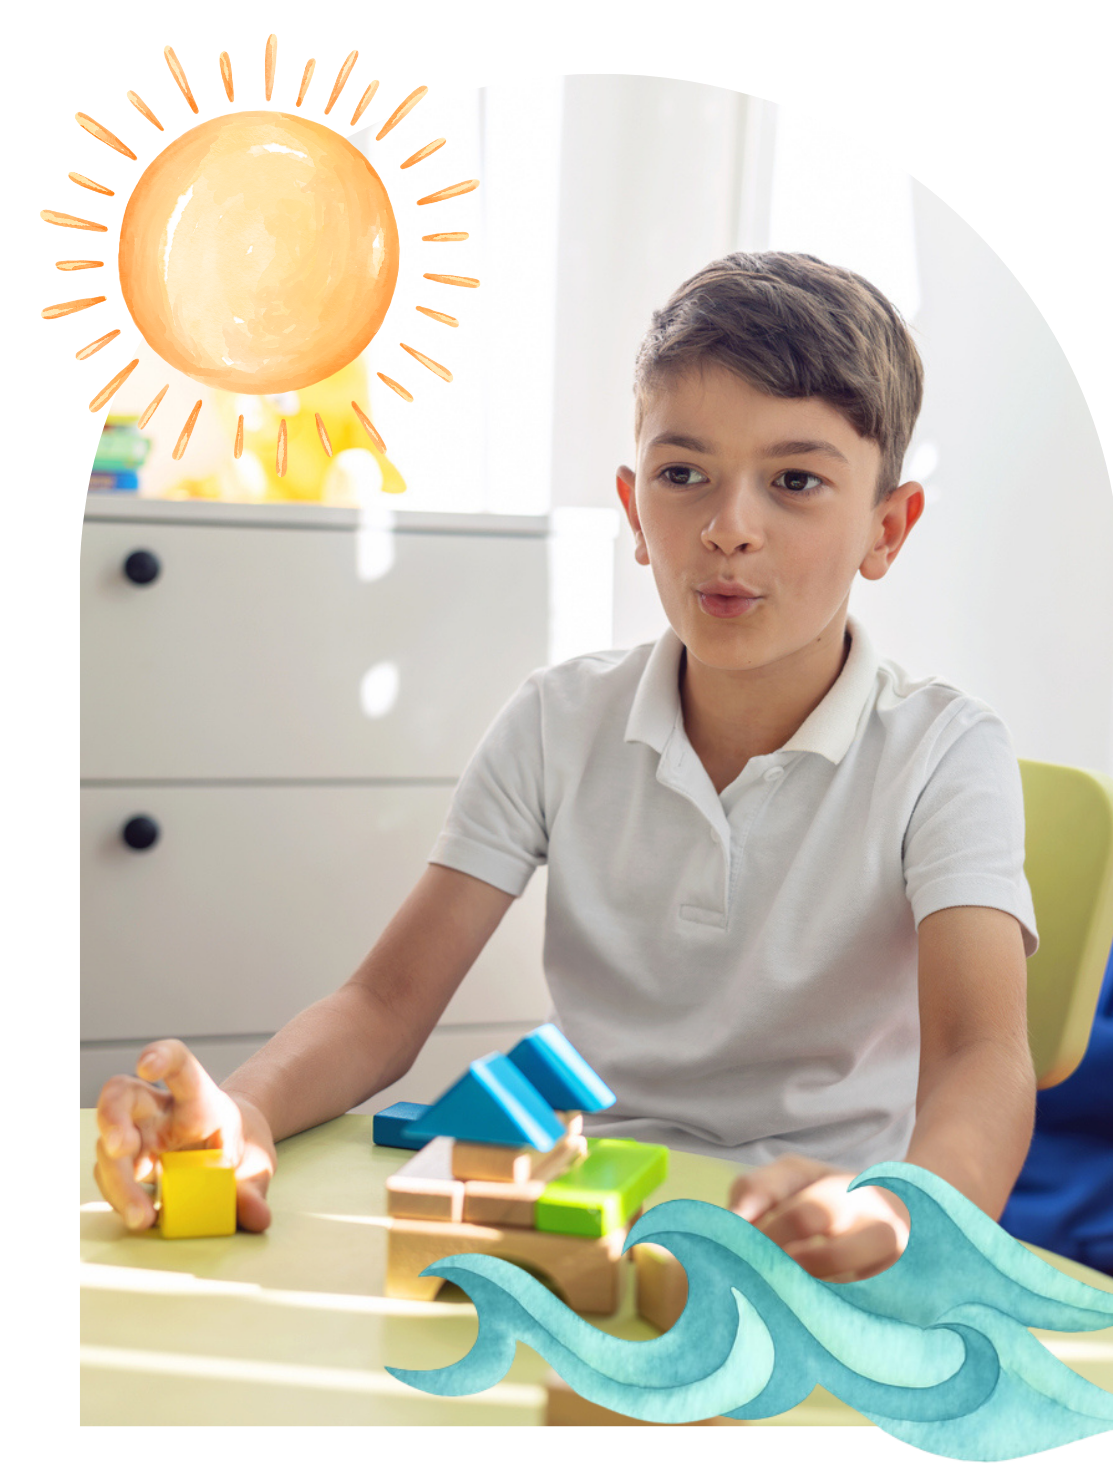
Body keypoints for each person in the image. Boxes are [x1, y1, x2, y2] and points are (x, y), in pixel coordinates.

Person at [93, 251, 1041, 1284]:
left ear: (886, 529)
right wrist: (247, 1107)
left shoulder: (946, 751)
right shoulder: (557, 718)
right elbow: (382, 1006)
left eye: (797, 481)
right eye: (686, 476)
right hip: (585, 1205)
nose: (729, 528)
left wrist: (901, 1218)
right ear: (636, 513)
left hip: (819, 1232)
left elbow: (979, 1062)